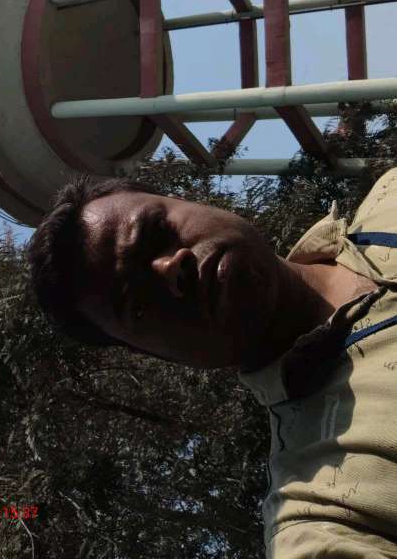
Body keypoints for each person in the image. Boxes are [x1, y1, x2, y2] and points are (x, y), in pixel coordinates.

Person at [28, 168, 397, 558]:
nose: (170, 267)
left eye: (157, 232)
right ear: (154, 355)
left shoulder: (390, 193)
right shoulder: (324, 517)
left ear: (190, 201)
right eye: (139, 302)